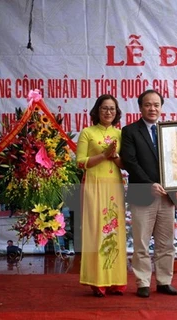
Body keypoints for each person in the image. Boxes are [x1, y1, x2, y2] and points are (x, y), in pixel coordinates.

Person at [120, 89, 177, 298]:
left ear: (161, 107)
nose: (152, 108)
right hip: (142, 193)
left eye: (156, 105)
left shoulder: (169, 131)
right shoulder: (129, 131)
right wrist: (149, 184)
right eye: (148, 104)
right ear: (140, 107)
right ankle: (143, 282)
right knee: (141, 242)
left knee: (166, 242)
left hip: (167, 194)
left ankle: (164, 281)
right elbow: (130, 161)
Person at [76, 94, 127, 297]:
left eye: (112, 109)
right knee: (96, 231)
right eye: (105, 108)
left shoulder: (120, 134)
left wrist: (114, 156)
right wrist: (103, 155)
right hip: (94, 185)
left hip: (114, 185)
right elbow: (80, 162)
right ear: (97, 111)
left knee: (114, 233)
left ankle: (116, 281)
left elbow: (125, 165)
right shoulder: (87, 132)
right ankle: (97, 282)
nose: (108, 112)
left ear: (117, 113)